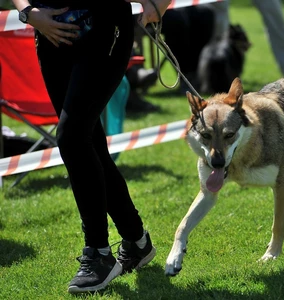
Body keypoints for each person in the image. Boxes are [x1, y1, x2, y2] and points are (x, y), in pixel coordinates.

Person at [11, 0, 171, 294]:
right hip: (49, 34)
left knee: (72, 137)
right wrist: (30, 13)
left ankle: (98, 252)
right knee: (86, 140)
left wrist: (160, 3)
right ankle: (137, 241)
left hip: (104, 25)